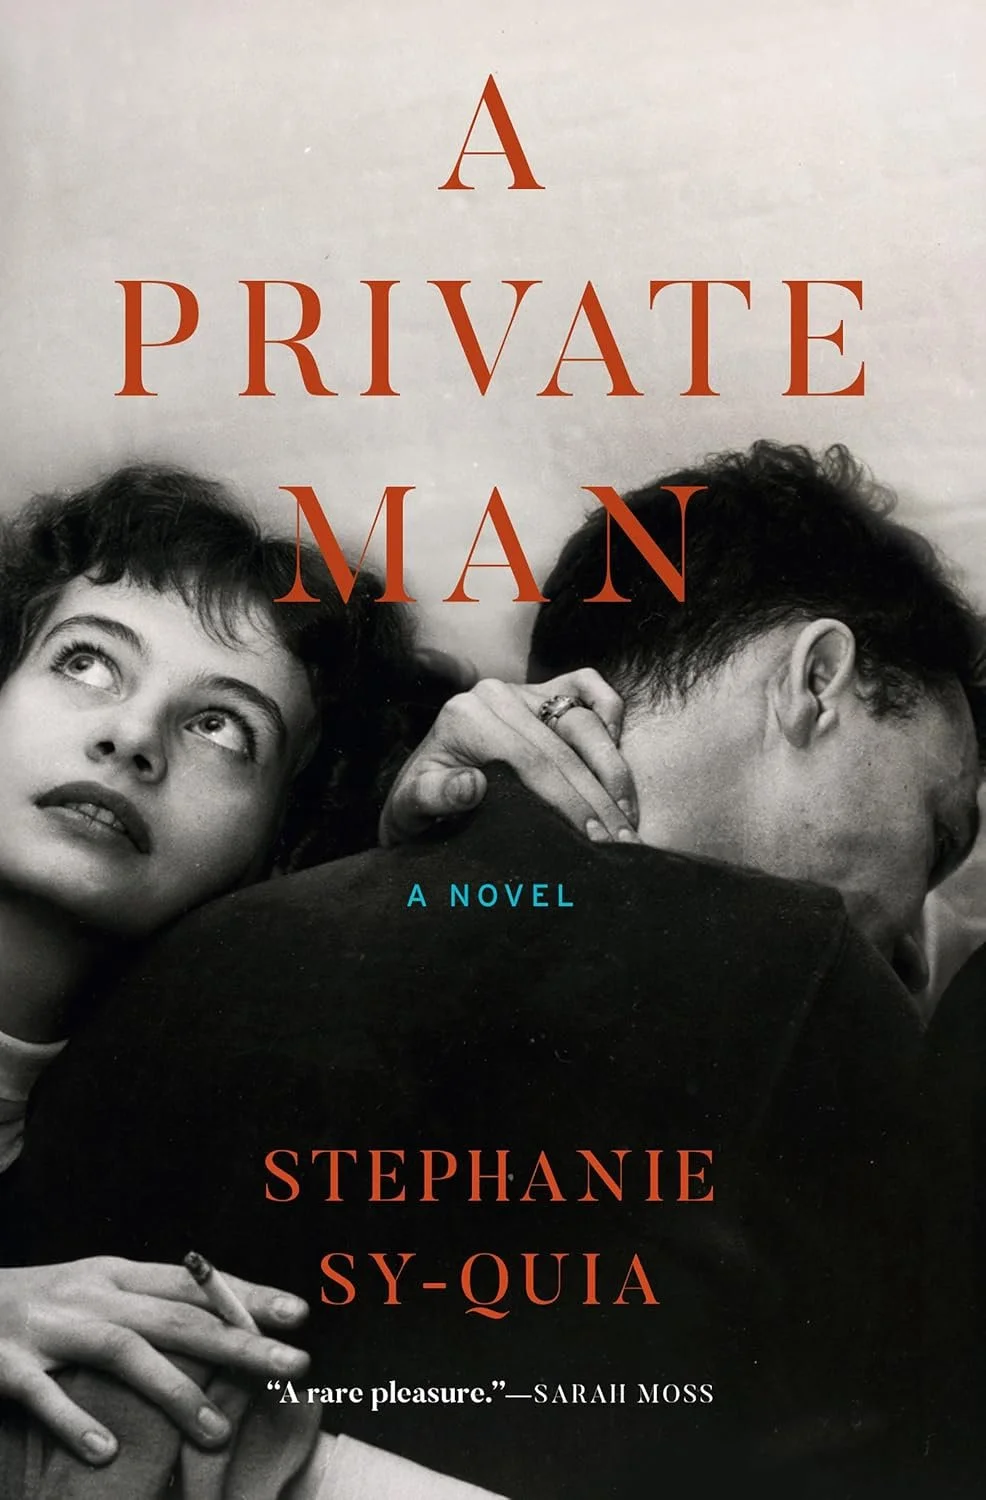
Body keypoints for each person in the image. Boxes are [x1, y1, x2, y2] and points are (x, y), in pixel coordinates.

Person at [11, 442, 985, 1496]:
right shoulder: (803, 986)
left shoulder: (159, 997)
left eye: (223, 728)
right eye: (937, 833)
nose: (912, 935)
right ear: (817, 679)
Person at [0, 461, 637, 1476]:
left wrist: (422, 841)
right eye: (86, 662)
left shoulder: (154, 1106)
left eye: (222, 726)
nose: (131, 737)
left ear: (274, 841)